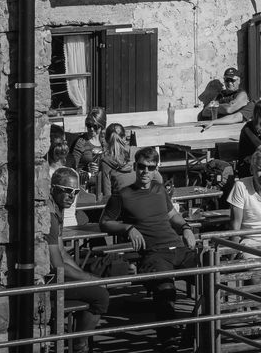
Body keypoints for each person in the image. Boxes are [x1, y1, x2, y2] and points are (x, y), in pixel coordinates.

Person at [100, 147, 197, 353]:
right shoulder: (122, 195)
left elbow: (172, 215)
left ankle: (195, 330)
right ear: (135, 167)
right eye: (142, 167)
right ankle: (168, 339)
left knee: (212, 277)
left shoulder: (160, 189)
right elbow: (105, 223)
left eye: (150, 168)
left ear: (155, 169)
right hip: (154, 253)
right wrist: (128, 228)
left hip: (178, 248)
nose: (145, 171)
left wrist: (186, 228)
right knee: (165, 290)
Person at [47, 167, 109, 352]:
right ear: (53, 188)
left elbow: (63, 253)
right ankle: (79, 346)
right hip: (48, 284)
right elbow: (58, 266)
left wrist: (84, 274)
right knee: (101, 296)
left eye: (75, 192)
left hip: (55, 278)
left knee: (96, 287)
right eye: (66, 190)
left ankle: (76, 341)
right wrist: (89, 278)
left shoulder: (57, 210)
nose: (71, 196)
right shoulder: (50, 217)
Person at [69, 109, 107, 184]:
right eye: (89, 125)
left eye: (95, 126)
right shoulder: (81, 142)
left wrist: (101, 168)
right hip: (86, 185)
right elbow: (72, 169)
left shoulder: (105, 142)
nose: (91, 129)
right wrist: (87, 171)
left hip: (104, 183)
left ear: (102, 125)